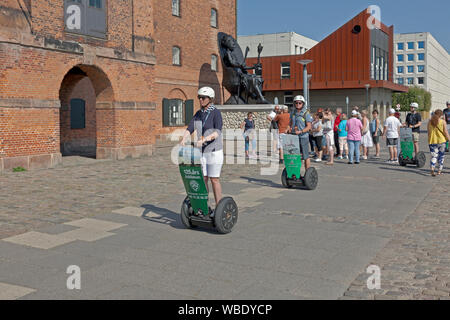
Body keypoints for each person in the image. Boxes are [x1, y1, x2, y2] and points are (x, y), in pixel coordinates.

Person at [180, 87, 223, 206]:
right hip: (202, 152)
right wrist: (184, 138)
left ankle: (219, 206)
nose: (200, 100)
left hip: (214, 151)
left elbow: (217, 132)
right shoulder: (198, 114)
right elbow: (190, 127)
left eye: (203, 98)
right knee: (203, 179)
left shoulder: (216, 113)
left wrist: (205, 139)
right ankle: (204, 205)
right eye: (199, 97)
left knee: (214, 179)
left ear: (210, 98)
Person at [290, 95, 313, 170]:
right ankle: (296, 172)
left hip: (303, 137)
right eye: (296, 103)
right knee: (296, 156)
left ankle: (307, 172)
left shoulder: (306, 113)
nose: (298, 104)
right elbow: (290, 123)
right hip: (294, 137)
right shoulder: (293, 113)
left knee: (305, 156)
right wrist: (288, 129)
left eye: (300, 103)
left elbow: (309, 126)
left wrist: (301, 131)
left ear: (303, 104)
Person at [427, 109, 450, 176]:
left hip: (432, 141)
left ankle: (432, 168)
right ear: (441, 115)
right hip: (441, 141)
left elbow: (429, 132)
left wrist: (429, 140)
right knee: (441, 156)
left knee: (434, 156)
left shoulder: (430, 122)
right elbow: (445, 132)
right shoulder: (443, 122)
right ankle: (439, 171)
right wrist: (449, 139)